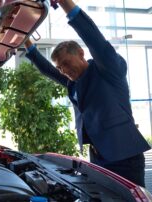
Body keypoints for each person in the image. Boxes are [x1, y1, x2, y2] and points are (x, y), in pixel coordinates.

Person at [24, 0, 151, 187]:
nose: (64, 70)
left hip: (125, 156)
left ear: (81, 53)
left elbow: (95, 40)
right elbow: (47, 70)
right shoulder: (74, 82)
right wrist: (25, 39)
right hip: (99, 156)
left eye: (66, 63)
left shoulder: (108, 70)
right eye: (60, 67)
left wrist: (65, 3)